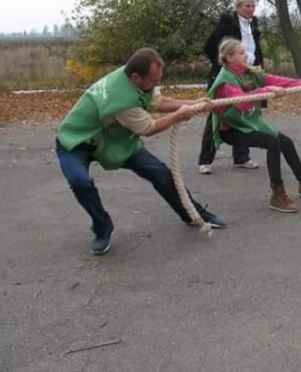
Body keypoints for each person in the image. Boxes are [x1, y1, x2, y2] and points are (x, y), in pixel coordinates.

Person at [56, 48, 226, 256]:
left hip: (114, 140)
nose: (157, 84)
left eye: (158, 79)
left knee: (160, 173)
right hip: (76, 140)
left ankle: (193, 214)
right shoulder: (120, 99)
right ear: (136, 77)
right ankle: (102, 227)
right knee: (80, 182)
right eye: (153, 80)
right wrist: (179, 116)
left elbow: (158, 102)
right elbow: (148, 128)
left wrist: (194, 104)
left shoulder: (134, 79)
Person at [208, 38, 301, 213]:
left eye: (245, 52)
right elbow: (241, 103)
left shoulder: (249, 72)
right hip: (231, 129)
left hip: (248, 122)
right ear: (229, 57)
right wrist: (266, 91)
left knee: (285, 142)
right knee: (272, 142)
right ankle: (277, 194)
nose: (246, 55)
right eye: (241, 53)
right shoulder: (225, 79)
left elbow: (277, 80)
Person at [198, 0, 265, 174]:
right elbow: (210, 46)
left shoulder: (253, 26)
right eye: (247, 6)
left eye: (253, 6)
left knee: (243, 114)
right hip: (226, 74)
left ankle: (241, 157)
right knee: (216, 113)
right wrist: (223, 66)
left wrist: (256, 70)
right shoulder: (227, 25)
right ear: (238, 7)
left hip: (247, 75)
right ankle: (205, 160)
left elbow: (255, 51)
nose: (251, 9)